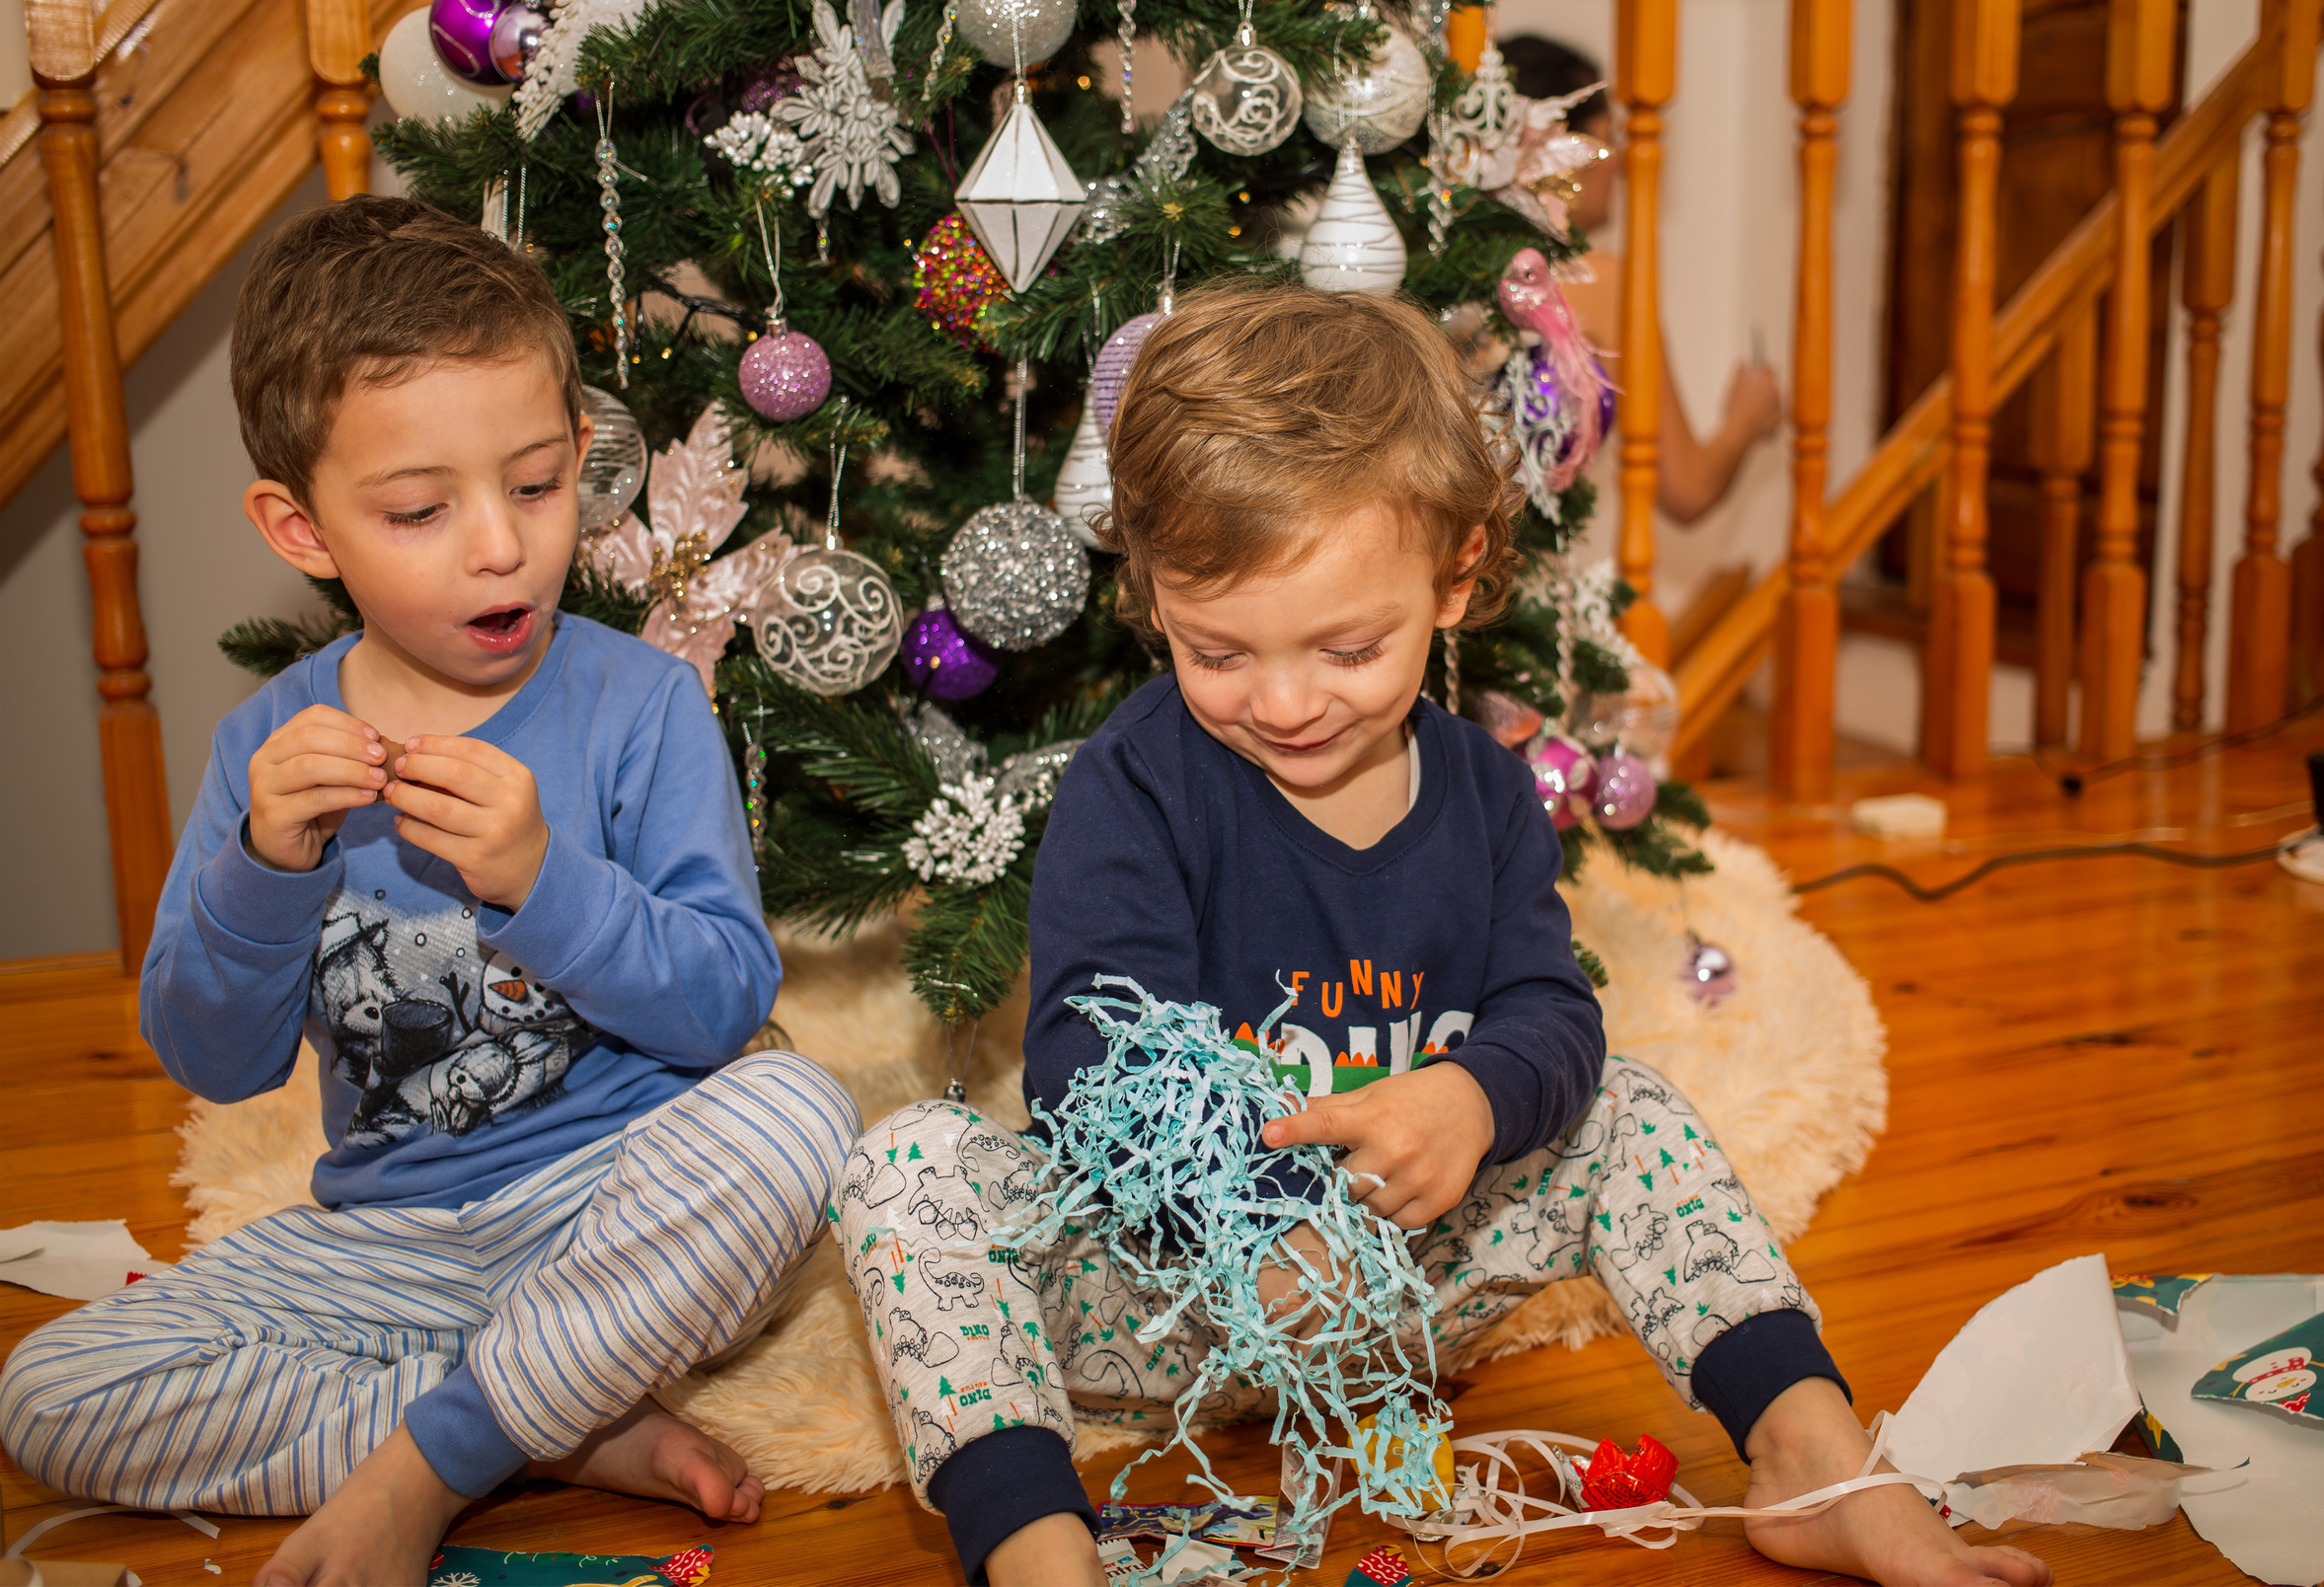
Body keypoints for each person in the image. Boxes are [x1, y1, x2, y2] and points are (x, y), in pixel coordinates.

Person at [839, 284, 2048, 1587]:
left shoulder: (1480, 793)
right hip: (1162, 1303)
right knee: (912, 1164)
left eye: (1350, 647)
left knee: (1628, 1108)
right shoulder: (1137, 783)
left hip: (1407, 1285)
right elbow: (1092, 1060)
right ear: (1151, 593)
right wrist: (1250, 1213)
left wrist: (1475, 1097)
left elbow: (1552, 1010)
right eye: (1218, 650)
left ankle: (1814, 1454)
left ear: (1458, 575)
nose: (1287, 700)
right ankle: (1035, 1554)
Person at [0, 197, 862, 1587]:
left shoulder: (640, 702)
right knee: (52, 1390)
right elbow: (214, 1060)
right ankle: (551, 1416)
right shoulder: (264, 750)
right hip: (391, 1242)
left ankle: (437, 1455)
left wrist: (542, 879)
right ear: (302, 526)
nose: (498, 545)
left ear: (585, 455)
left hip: (622, 1214)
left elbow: (719, 1004)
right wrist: (264, 868)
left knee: (803, 1114)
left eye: (533, 485)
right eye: (418, 508)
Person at [1499, 32, 1782, 525]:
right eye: (1608, 140)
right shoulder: (1601, 283)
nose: (1625, 166)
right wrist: (1743, 422)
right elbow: (1687, 489)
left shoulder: (1441, 263)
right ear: (1562, 150)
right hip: (1522, 579)